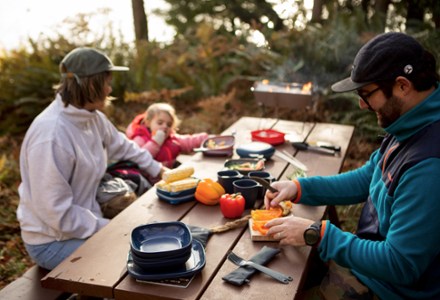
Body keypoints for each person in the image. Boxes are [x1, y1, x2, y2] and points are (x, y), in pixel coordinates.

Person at [264, 32, 440, 299]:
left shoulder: (429, 166)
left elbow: (401, 264)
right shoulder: (409, 123)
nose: (361, 104)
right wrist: (299, 187)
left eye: (367, 94)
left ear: (402, 85)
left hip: (392, 290)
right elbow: (367, 178)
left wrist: (319, 235)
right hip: (370, 270)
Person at [16, 47, 167, 270]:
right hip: (53, 241)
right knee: (141, 257)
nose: (110, 89)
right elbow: (56, 213)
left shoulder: (93, 118)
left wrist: (160, 170)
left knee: (155, 239)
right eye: (106, 82)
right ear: (89, 84)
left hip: (86, 224)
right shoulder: (51, 136)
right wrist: (109, 227)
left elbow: (124, 146)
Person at [126, 102, 209, 168]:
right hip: (150, 183)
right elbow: (139, 158)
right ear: (148, 122)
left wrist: (206, 138)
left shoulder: (172, 139)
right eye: (160, 123)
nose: (165, 126)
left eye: (169, 124)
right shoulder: (140, 139)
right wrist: (155, 142)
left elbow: (189, 142)